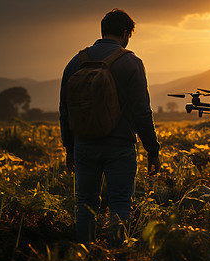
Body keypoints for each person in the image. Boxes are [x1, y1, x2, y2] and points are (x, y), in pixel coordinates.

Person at [59, 8, 161, 245]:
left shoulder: (75, 62)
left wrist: (69, 148)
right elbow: (142, 112)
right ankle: (117, 258)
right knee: (120, 203)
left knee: (85, 203)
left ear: (103, 31)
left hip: (84, 145)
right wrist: (152, 150)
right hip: (120, 146)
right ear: (125, 33)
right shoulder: (131, 63)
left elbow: (65, 109)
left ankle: (85, 256)